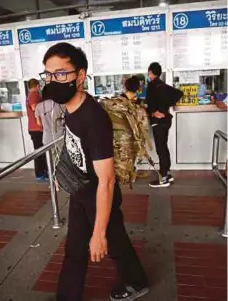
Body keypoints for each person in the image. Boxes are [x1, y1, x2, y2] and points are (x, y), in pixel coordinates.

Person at [41, 42, 149, 301]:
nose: (53, 80)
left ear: (80, 76)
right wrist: (61, 172)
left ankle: (136, 282)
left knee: (114, 243)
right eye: (48, 74)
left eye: (60, 73)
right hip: (81, 193)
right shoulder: (69, 109)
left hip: (100, 198)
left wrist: (98, 233)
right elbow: (74, 146)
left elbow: (108, 180)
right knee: (75, 251)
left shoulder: (93, 117)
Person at [101, 76, 152, 186]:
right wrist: (141, 147)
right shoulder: (139, 107)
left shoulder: (113, 103)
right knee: (129, 161)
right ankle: (127, 178)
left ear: (124, 87)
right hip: (131, 141)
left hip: (114, 139)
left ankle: (117, 180)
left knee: (116, 161)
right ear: (138, 89)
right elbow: (143, 129)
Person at [146, 62, 183, 188]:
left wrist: (154, 112)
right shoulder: (162, 85)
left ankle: (163, 179)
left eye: (149, 72)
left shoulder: (152, 85)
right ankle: (167, 173)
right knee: (164, 148)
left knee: (161, 149)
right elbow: (179, 93)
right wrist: (165, 108)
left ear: (150, 72)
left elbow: (149, 103)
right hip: (166, 120)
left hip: (159, 123)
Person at [35, 85, 65, 163]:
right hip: (60, 137)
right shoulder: (60, 104)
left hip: (47, 138)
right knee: (63, 161)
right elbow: (64, 120)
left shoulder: (38, 106)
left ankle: (54, 175)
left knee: (52, 162)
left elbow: (39, 124)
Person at [26, 78, 47, 181]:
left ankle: (42, 172)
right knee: (39, 152)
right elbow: (34, 108)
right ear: (38, 86)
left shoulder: (30, 95)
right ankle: (40, 174)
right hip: (36, 128)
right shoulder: (34, 95)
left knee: (40, 151)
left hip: (34, 128)